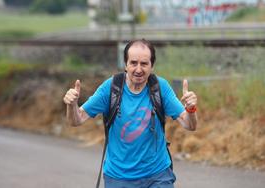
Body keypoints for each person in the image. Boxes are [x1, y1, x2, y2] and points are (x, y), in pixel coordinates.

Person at [63, 39, 198, 188]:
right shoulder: (111, 88)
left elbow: (189, 124)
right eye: (133, 63)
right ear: (125, 64)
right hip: (119, 177)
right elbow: (77, 120)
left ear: (152, 66)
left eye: (144, 64)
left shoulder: (160, 88)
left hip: (157, 175)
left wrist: (191, 109)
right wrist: (72, 105)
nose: (138, 69)